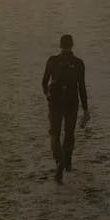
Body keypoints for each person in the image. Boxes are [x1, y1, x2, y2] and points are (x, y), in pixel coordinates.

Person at [42, 34, 90, 184]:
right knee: (69, 133)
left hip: (55, 102)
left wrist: (48, 95)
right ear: (72, 45)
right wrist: (85, 108)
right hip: (71, 102)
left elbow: (44, 82)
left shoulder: (52, 61)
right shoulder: (79, 63)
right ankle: (67, 161)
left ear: (60, 45)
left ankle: (59, 161)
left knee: (55, 134)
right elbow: (81, 87)